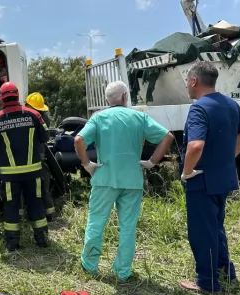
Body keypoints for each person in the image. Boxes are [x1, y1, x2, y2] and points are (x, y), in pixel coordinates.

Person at [74, 80, 174, 281]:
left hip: (104, 178)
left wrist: (87, 164)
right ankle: (123, 271)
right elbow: (168, 137)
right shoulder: (139, 117)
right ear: (125, 97)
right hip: (132, 179)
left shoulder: (99, 117)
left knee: (96, 222)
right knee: (128, 226)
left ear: (106, 99)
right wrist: (152, 162)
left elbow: (78, 140)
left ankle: (89, 264)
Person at [178, 62, 240, 293]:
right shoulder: (230, 104)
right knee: (216, 226)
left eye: (187, 83)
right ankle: (225, 271)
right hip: (224, 177)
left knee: (202, 231)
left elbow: (195, 145)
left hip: (202, 179)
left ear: (194, 81)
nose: (187, 87)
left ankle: (207, 282)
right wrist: (229, 156)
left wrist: (186, 172)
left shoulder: (199, 108)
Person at [0, 82, 49, 251]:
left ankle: (12, 243)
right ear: (17, 95)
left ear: (2, 98)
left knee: (11, 207)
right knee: (36, 204)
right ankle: (41, 240)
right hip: (33, 172)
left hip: (10, 175)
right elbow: (45, 137)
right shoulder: (34, 115)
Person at [25, 92, 55, 221]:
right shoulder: (43, 118)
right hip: (37, 157)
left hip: (34, 157)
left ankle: (46, 213)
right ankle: (48, 213)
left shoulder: (34, 118)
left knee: (40, 186)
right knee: (42, 187)